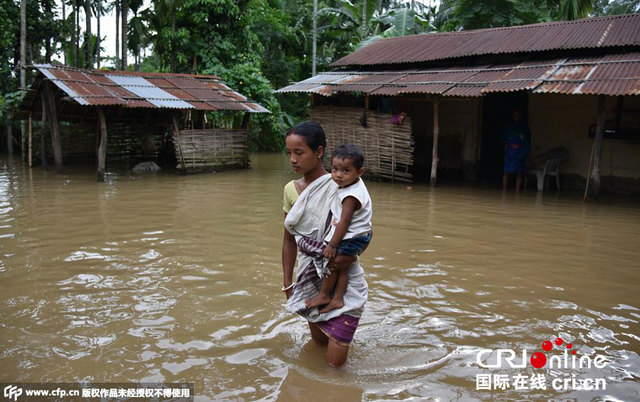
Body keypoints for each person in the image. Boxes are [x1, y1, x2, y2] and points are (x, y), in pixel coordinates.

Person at [282, 121, 369, 368]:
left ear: (318, 152)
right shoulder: (291, 190)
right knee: (318, 344)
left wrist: (349, 258)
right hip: (310, 276)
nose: (293, 159)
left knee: (335, 366)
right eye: (289, 153)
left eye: (299, 152)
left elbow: (365, 230)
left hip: (342, 271)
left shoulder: (344, 185)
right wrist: (288, 282)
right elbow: (289, 238)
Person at [305, 144, 372, 314]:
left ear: (360, 172)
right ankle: (337, 299)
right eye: (335, 169)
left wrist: (333, 244)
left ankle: (325, 295)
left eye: (345, 171)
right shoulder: (353, 184)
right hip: (360, 235)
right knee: (341, 268)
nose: (338, 175)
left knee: (330, 264)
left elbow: (345, 221)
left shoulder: (351, 196)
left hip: (351, 237)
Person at [502, 109, 531, 192]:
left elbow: (527, 141)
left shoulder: (524, 127)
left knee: (519, 173)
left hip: (520, 152)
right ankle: (504, 190)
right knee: (506, 172)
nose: (516, 117)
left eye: (518, 115)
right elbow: (504, 138)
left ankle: (517, 191)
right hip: (510, 152)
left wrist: (524, 152)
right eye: (515, 115)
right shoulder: (508, 126)